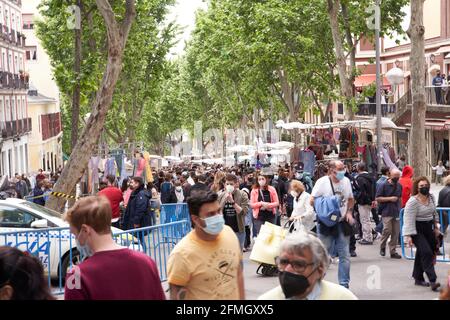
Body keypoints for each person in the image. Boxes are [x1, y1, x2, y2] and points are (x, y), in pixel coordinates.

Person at [64, 196, 165, 300]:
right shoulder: (147, 262)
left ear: (85, 230)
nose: (76, 240)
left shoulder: (76, 276)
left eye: (75, 234)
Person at [167, 191, 245, 300]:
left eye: (219, 211)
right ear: (195, 219)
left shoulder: (229, 233)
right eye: (211, 214)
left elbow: (238, 275)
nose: (218, 216)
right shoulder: (181, 254)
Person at [258, 232, 357, 300]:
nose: (288, 270)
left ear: (320, 269)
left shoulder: (342, 297)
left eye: (299, 264)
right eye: (283, 262)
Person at [310, 160, 355, 288]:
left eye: (343, 168)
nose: (343, 171)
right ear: (331, 170)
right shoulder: (322, 182)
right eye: (340, 168)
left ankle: (344, 285)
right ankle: (316, 283)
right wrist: (325, 208)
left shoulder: (346, 181)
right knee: (322, 255)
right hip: (326, 224)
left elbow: (351, 199)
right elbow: (312, 200)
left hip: (342, 222)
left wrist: (349, 212)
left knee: (345, 255)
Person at [402, 177, 441, 292]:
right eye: (421, 186)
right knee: (426, 252)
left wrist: (437, 226)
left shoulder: (432, 197)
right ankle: (433, 280)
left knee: (421, 253)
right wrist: (408, 236)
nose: (425, 187)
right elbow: (408, 219)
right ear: (417, 188)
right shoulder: (413, 201)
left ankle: (418, 277)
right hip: (417, 229)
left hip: (429, 227)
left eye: (426, 185)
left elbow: (434, 212)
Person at [376, 168, 402, 259]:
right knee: (387, 230)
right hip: (386, 211)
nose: (397, 178)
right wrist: (390, 199)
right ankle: (382, 246)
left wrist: (401, 209)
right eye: (395, 176)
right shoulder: (383, 185)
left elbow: (399, 198)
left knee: (396, 232)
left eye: (398, 177)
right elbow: (378, 198)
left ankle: (393, 251)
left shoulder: (399, 185)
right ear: (390, 175)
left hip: (396, 211)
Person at [218, 174, 249, 250]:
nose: (229, 186)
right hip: (224, 230)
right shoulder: (221, 195)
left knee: (238, 254)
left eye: (231, 184)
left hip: (238, 230)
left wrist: (232, 202)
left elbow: (243, 212)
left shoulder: (243, 194)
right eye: (227, 184)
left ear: (236, 184)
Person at [355, 163, 376, 245]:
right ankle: (369, 235)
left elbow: (362, 192)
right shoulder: (372, 177)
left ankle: (367, 238)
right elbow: (374, 189)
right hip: (371, 200)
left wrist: (359, 199)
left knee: (364, 220)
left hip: (364, 202)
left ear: (358, 168)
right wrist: (373, 200)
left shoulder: (360, 178)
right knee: (367, 219)